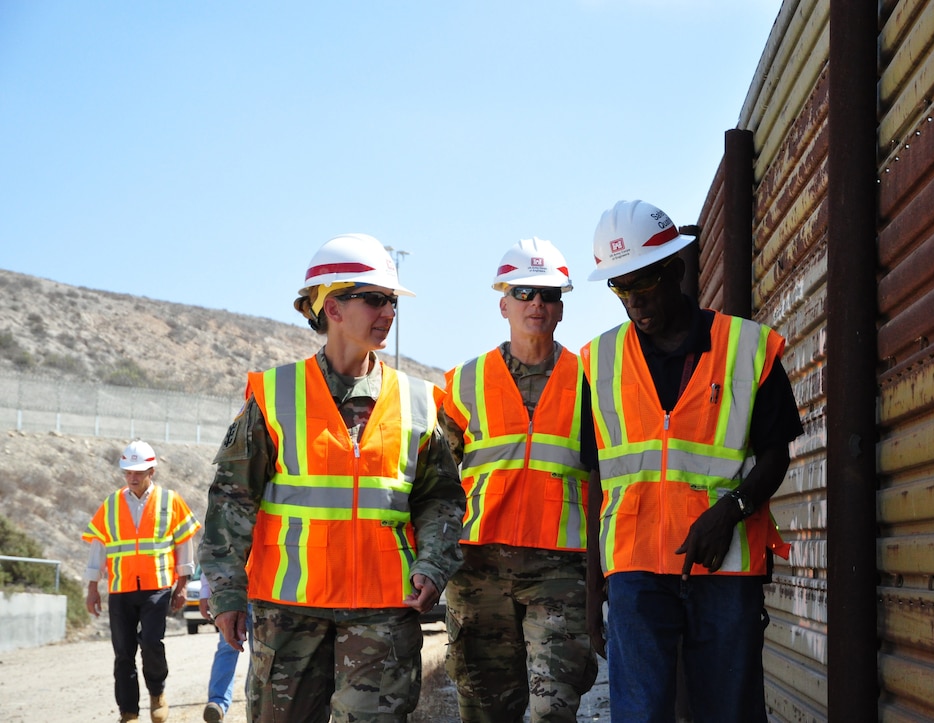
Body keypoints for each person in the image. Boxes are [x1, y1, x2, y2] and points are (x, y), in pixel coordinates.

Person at [199, 233, 466, 723]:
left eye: (391, 301)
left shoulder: (420, 402)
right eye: (374, 299)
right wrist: (226, 591)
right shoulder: (274, 395)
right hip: (287, 611)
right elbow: (231, 501)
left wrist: (432, 564)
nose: (388, 312)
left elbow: (442, 500)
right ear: (332, 307)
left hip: (384, 610)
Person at [579, 200, 804, 723]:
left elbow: (776, 456)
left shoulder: (747, 348)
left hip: (724, 567)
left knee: (729, 712)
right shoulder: (599, 361)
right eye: (620, 288)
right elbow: (597, 480)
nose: (634, 301)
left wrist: (730, 511)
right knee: (640, 715)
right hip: (634, 575)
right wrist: (593, 593)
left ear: (675, 270)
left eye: (644, 282)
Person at [440, 238, 598, 722]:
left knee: (554, 710)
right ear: (503, 302)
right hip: (478, 569)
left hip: (560, 572)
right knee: (485, 711)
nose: (537, 304)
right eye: (525, 292)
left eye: (549, 295)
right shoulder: (462, 383)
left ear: (562, 308)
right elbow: (437, 487)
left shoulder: (592, 379)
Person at [83, 439, 201, 723]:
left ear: (152, 471)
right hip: (121, 589)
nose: (132, 477)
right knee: (123, 654)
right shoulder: (111, 504)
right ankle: (129, 713)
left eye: (138, 471)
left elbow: (184, 543)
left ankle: (157, 692)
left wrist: (182, 585)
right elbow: (98, 549)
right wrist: (92, 588)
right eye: (128, 472)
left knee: (151, 643)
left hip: (157, 587)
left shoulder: (170, 501)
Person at [197, 572, 244, 722]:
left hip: (264, 593)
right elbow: (211, 550)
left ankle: (261, 703)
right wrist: (205, 591)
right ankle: (217, 704)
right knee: (227, 647)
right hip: (230, 594)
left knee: (264, 653)